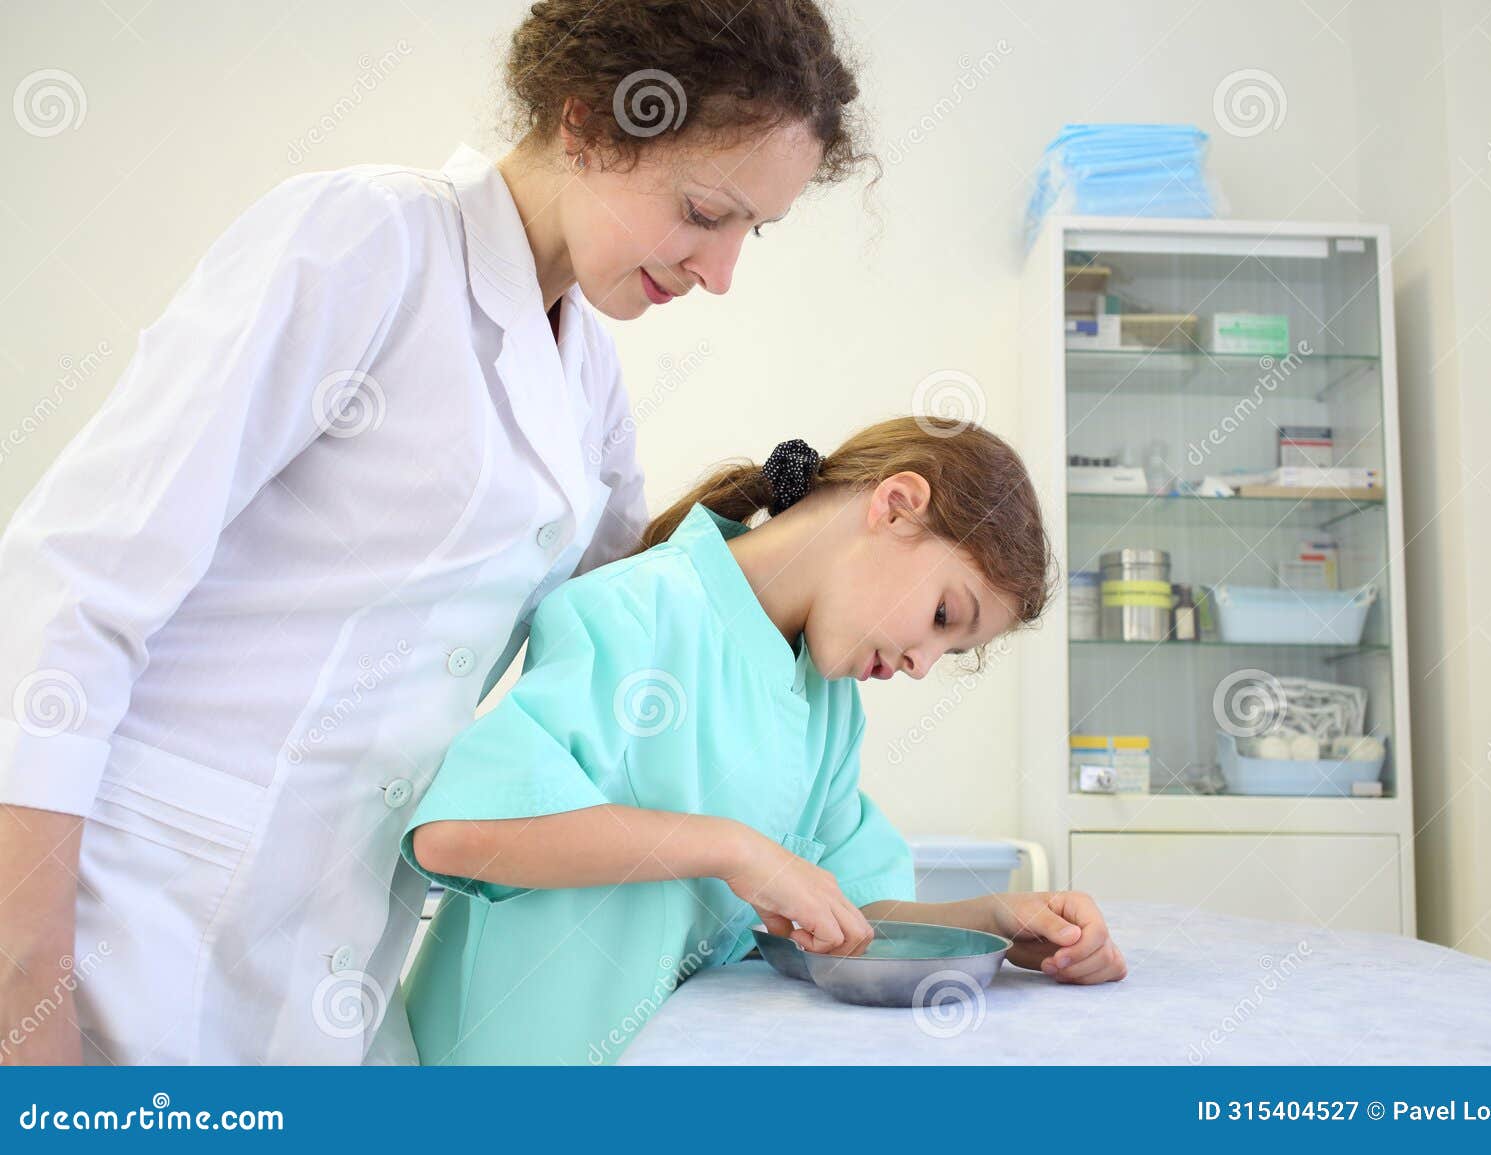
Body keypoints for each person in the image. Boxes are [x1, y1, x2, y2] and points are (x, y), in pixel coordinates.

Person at [0, 0, 872, 1064]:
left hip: (331, 939)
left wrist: (837, 560)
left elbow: (625, 631)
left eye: (753, 231)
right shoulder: (364, 240)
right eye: (703, 211)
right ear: (590, 121)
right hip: (126, 907)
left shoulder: (584, 375)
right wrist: (22, 970)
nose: (721, 271)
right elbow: (73, 582)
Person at [402, 419, 1128, 1065]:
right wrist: (733, 849)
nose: (921, 665)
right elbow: (457, 834)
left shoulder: (827, 695)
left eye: (954, 651)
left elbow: (851, 912)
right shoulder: (633, 611)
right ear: (896, 505)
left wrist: (996, 923)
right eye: (943, 615)